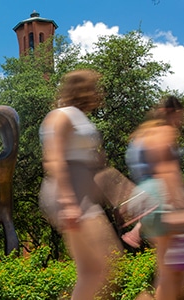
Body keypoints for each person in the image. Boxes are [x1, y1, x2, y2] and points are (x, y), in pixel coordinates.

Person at [39, 69, 122, 299]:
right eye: (93, 88)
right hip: (71, 194)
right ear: (81, 89)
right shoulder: (61, 115)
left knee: (94, 271)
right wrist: (68, 202)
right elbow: (53, 157)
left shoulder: (80, 117)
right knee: (107, 263)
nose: (98, 93)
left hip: (82, 194)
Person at [124, 95, 184, 299]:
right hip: (162, 200)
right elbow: (166, 169)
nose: (181, 121)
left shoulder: (142, 135)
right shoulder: (163, 131)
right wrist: (180, 207)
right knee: (180, 271)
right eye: (181, 116)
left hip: (147, 201)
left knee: (173, 270)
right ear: (172, 112)